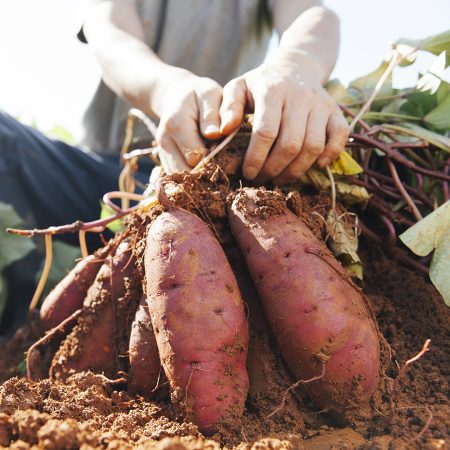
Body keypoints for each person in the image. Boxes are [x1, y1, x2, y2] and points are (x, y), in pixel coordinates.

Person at [0, 0, 349, 332]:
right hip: (107, 180)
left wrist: (295, 67)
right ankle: (18, 336)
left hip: (210, 183)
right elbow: (108, 32)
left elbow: (313, 15)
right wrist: (167, 90)